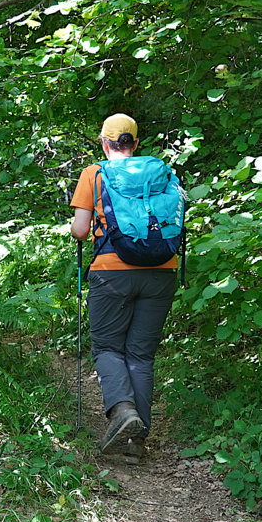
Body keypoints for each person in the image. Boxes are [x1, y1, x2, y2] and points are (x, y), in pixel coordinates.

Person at [69, 113, 178, 453]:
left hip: (112, 273)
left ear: (104, 142)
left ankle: (124, 410)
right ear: (136, 143)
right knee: (141, 356)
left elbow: (80, 231)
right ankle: (136, 442)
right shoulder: (164, 174)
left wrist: (72, 228)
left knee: (107, 348)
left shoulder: (94, 174)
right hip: (162, 269)